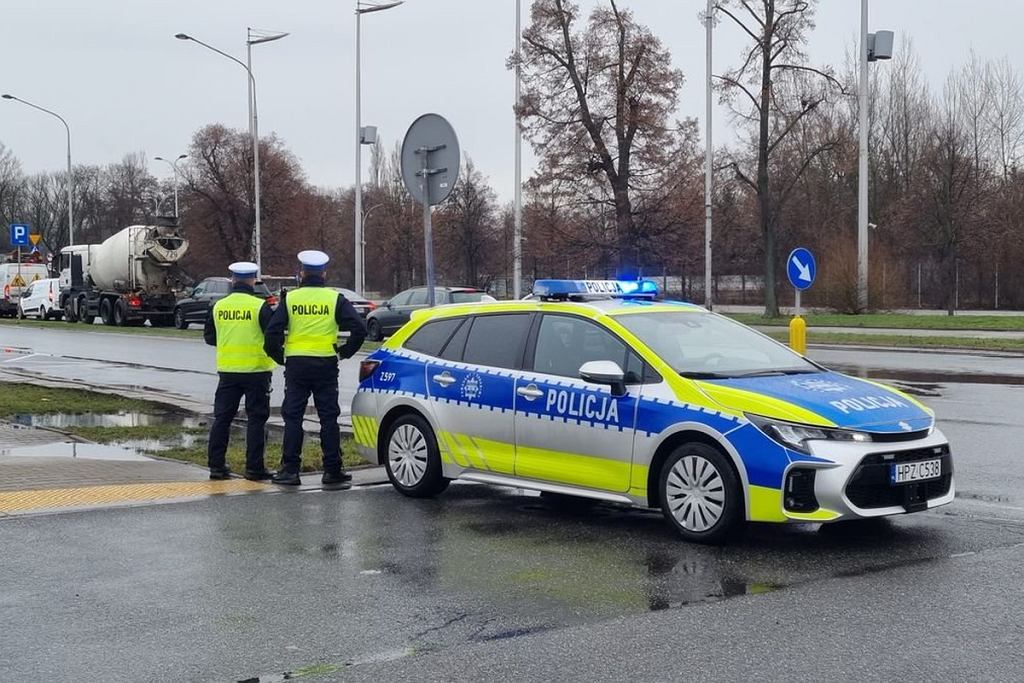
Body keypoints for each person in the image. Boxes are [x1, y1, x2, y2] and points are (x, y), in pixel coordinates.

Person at [263, 250, 367, 489]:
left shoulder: (290, 299)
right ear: (324, 274)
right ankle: (333, 471)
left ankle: (290, 470)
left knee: (293, 418)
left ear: (301, 273)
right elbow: (360, 328)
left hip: (297, 366)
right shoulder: (334, 299)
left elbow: (272, 333)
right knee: (329, 418)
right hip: (326, 365)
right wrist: (344, 351)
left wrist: (281, 357)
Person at [203, 262, 276, 481]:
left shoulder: (218, 306)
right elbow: (272, 336)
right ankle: (254, 468)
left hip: (228, 371)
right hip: (256, 371)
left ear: (233, 280)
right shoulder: (259, 306)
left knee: (222, 419)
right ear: (253, 280)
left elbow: (209, 337)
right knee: (256, 420)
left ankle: (216, 466)